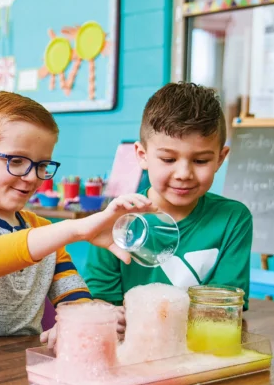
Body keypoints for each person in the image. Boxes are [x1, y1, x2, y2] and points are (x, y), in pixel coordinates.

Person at [0, 91, 152, 340]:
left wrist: (96, 317)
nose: (32, 177)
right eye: (17, 161)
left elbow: (74, 300)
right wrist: (74, 229)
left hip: (22, 365)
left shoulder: (45, 232)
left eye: (42, 165)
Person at [85, 82, 253, 307]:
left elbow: (226, 305)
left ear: (220, 159)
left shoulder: (233, 218)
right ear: (142, 155)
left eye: (200, 160)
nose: (184, 174)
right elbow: (100, 301)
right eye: (168, 160)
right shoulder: (116, 221)